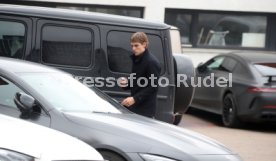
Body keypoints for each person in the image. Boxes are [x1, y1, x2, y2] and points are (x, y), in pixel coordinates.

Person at [120, 32, 161, 118]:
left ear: (144, 44)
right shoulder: (137, 59)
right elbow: (138, 81)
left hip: (145, 110)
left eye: (136, 45)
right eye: (132, 46)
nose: (133, 48)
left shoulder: (151, 62)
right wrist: (125, 84)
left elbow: (153, 87)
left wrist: (134, 99)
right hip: (136, 108)